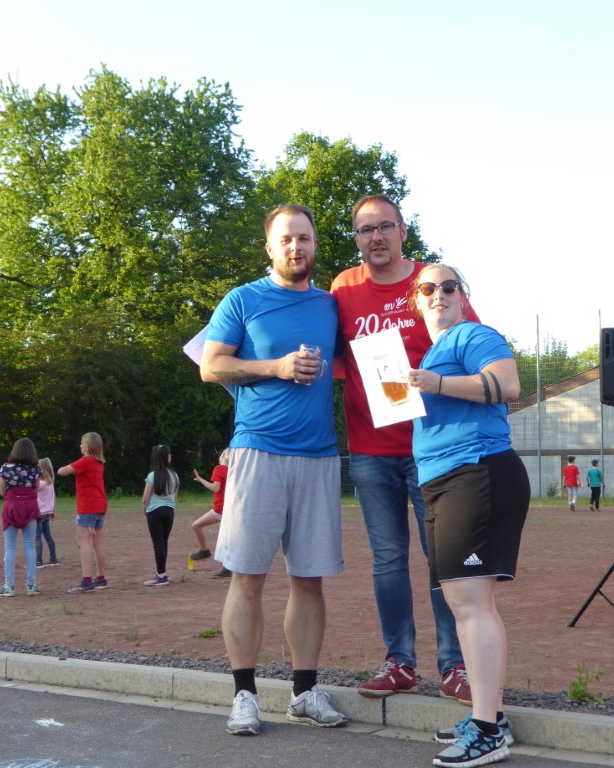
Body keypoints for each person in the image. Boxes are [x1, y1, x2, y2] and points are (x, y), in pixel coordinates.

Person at [200, 203, 346, 736]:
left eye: (303, 238)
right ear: (269, 247)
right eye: (286, 239)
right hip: (257, 452)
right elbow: (211, 366)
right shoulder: (243, 299)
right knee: (247, 577)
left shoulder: (331, 305)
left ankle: (304, 693)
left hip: (319, 457)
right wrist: (276, 367)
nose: (295, 247)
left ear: (314, 245)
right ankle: (244, 696)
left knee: (309, 580)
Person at [330, 193, 470, 705]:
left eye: (385, 227)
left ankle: (455, 666)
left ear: (403, 230)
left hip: (431, 448)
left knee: (441, 557)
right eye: (366, 230)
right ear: (357, 238)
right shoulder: (343, 287)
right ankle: (399, 662)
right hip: (370, 450)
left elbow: (468, 344)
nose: (377, 237)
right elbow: (334, 357)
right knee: (387, 559)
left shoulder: (432, 283)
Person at [405, 264, 530, 767]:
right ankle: (488, 716)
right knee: (466, 604)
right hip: (446, 480)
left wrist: (435, 382)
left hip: (476, 471)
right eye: (427, 288)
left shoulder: (473, 335)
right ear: (416, 300)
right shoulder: (432, 353)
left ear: (463, 296)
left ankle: (487, 730)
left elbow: (508, 385)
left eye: (449, 286)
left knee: (471, 604)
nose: (438, 294)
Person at [58, 432, 108, 593]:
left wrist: (72, 468)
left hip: (88, 506)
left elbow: (61, 471)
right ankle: (101, 578)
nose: (80, 445)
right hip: (100, 504)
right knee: (97, 543)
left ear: (87, 446)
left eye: (82, 443)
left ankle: (86, 581)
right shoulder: (99, 462)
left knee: (83, 541)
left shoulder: (86, 460)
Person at [0, 437, 42, 597]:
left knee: (9, 547)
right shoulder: (36, 469)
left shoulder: (5, 468)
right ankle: (31, 586)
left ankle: (9, 586)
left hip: (11, 506)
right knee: (30, 545)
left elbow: (2, 492)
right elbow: (35, 490)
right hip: (30, 506)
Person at [142, 444, 179, 586]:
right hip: (169, 511)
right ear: (166, 457)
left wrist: (145, 511)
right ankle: (162, 573)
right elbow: (174, 496)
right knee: (164, 542)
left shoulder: (152, 476)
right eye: (169, 454)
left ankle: (161, 575)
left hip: (154, 511)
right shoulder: (174, 475)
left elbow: (145, 499)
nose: (171, 456)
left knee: (158, 544)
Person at [191, 448, 231, 578]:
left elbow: (215, 488)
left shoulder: (219, 469)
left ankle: (204, 551)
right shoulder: (234, 470)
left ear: (223, 456)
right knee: (228, 538)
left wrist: (201, 479)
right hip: (231, 508)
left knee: (196, 525)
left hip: (220, 508)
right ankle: (227, 567)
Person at [36, 458, 59, 568]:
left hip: (38, 513)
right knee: (48, 536)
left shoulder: (40, 484)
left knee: (37, 537)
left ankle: (38, 561)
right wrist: (52, 511)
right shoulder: (50, 483)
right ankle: (53, 559)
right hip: (46, 513)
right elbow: (53, 497)